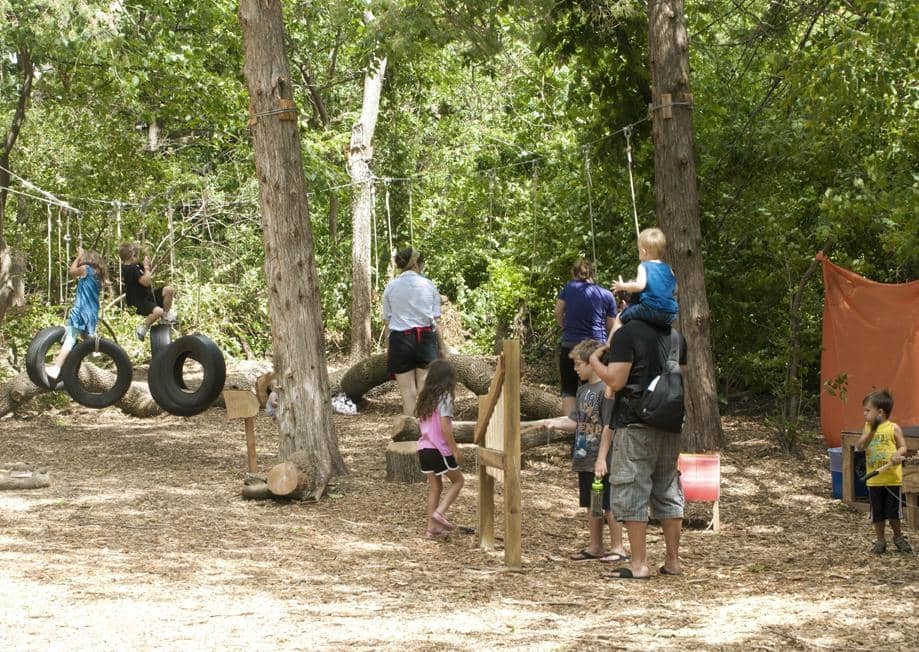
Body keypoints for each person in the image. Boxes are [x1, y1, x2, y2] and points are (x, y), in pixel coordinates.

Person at [588, 317, 688, 580]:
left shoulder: (628, 334)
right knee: (668, 487)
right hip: (670, 423)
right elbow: (680, 378)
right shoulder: (675, 336)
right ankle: (673, 561)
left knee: (632, 488)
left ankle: (638, 565)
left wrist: (595, 361)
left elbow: (616, 381)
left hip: (635, 423)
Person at [540, 339, 628, 563]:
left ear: (592, 363)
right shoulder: (582, 390)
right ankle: (596, 546)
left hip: (603, 457)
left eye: (579, 364)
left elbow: (609, 424)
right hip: (584, 455)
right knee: (592, 503)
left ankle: (618, 547)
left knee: (609, 504)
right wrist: (554, 423)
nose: (576, 369)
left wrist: (601, 458)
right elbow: (577, 421)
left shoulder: (606, 389)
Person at [382, 247, 446, 416]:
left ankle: (410, 434)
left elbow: (388, 320)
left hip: (400, 340)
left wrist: (388, 348)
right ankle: (427, 434)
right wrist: (443, 347)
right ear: (416, 264)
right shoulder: (429, 285)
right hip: (425, 339)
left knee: (407, 394)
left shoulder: (391, 286)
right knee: (425, 392)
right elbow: (435, 320)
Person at [555, 259, 617, 415]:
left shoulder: (568, 288)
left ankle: (571, 428)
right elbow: (611, 324)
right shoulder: (606, 294)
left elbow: (558, 311)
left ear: (574, 273)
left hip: (570, 344)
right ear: (593, 274)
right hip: (595, 348)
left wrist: (565, 326)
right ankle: (592, 427)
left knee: (569, 389)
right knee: (595, 385)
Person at [857, 389, 911, 554]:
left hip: (892, 478)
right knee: (877, 513)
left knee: (893, 512)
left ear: (880, 412)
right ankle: (881, 541)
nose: (864, 414)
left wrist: (897, 454)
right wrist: (872, 431)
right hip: (874, 480)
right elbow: (860, 446)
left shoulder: (893, 428)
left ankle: (898, 537)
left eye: (867, 410)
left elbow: (903, 447)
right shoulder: (867, 428)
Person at [415, 359, 464, 539]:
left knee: (435, 487)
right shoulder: (445, 397)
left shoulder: (425, 398)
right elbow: (445, 426)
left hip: (424, 448)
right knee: (458, 481)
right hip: (438, 449)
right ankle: (440, 513)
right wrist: (455, 449)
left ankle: (431, 529)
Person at [45, 248, 106, 381]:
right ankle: (95, 349)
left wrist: (79, 257)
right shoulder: (98, 275)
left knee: (71, 337)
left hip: (81, 309)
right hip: (92, 312)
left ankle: (57, 368)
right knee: (85, 335)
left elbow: (72, 271)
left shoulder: (85, 269)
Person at [612, 227, 677, 327]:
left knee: (619, 318)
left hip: (649, 309)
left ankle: (609, 343)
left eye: (638, 251)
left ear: (643, 251)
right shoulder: (668, 268)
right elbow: (676, 289)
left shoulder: (643, 266)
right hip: (670, 313)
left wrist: (622, 286)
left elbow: (639, 286)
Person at [118, 242, 177, 341]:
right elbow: (146, 282)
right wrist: (146, 267)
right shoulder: (130, 269)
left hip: (147, 296)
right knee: (158, 312)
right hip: (138, 301)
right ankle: (143, 327)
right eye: (136, 255)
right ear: (132, 256)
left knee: (169, 290)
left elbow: (148, 268)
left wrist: (146, 254)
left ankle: (165, 316)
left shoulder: (136, 265)